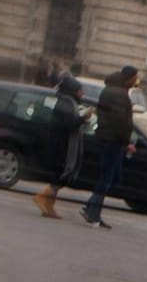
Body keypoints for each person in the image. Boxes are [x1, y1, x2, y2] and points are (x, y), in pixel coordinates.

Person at [84, 66, 140, 228]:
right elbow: (120, 121)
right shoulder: (120, 95)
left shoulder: (113, 91)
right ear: (128, 78)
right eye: (135, 78)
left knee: (113, 176)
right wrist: (127, 142)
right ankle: (93, 212)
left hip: (108, 137)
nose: (136, 81)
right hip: (113, 140)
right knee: (107, 177)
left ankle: (91, 207)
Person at [31, 75, 86, 218]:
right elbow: (69, 124)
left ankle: (49, 207)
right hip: (62, 145)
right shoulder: (67, 104)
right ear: (73, 90)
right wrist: (82, 119)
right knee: (60, 175)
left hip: (60, 143)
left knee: (59, 175)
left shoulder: (67, 102)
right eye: (80, 90)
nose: (82, 93)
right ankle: (42, 198)